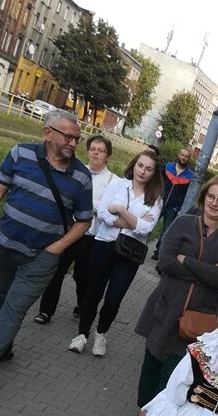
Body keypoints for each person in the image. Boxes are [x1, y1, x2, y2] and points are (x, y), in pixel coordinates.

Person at [0, 108, 93, 389]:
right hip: (6, 245)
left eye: (77, 138)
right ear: (48, 133)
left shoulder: (82, 177)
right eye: (68, 137)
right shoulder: (20, 154)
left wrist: (56, 248)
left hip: (41, 258)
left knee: (14, 308)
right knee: (0, 300)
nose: (73, 143)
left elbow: (84, 221)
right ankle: (3, 346)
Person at [124, 177, 218, 416]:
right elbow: (165, 261)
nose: (214, 203)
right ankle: (143, 410)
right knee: (152, 362)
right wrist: (208, 271)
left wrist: (186, 260)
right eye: (211, 196)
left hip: (198, 317)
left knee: (176, 370)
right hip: (166, 304)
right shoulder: (183, 223)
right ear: (203, 197)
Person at [69, 151, 163, 357]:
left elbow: (146, 229)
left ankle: (101, 333)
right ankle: (81, 335)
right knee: (93, 292)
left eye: (148, 169)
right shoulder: (118, 185)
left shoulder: (155, 199)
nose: (143, 171)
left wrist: (120, 209)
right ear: (134, 165)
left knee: (114, 298)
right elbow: (102, 214)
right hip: (104, 245)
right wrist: (132, 221)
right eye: (140, 165)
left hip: (130, 253)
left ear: (154, 173)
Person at [34, 135, 117, 325]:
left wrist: (87, 204)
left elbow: (109, 209)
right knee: (57, 270)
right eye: (92, 149)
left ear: (108, 156)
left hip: (92, 235)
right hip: (69, 230)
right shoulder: (77, 172)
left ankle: (81, 304)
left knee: (82, 275)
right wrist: (95, 206)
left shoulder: (114, 182)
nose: (95, 153)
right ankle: (46, 311)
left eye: (101, 150)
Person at [151, 146, 193, 259]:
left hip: (173, 207)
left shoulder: (190, 176)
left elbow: (187, 195)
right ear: (179, 155)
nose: (184, 158)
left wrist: (179, 208)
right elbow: (157, 181)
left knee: (166, 232)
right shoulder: (167, 167)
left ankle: (158, 253)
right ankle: (141, 246)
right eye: (182, 155)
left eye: (186, 157)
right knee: (150, 224)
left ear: (189, 159)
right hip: (159, 202)